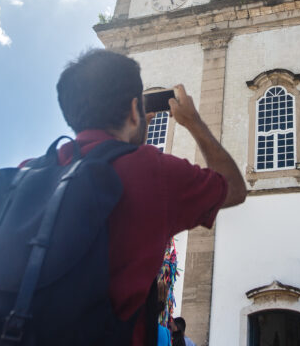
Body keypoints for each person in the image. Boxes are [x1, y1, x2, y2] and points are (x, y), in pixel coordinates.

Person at [55, 49, 247, 345]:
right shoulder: (152, 173)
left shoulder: (26, 173)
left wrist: (132, 137)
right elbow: (233, 188)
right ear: (135, 110)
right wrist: (194, 122)